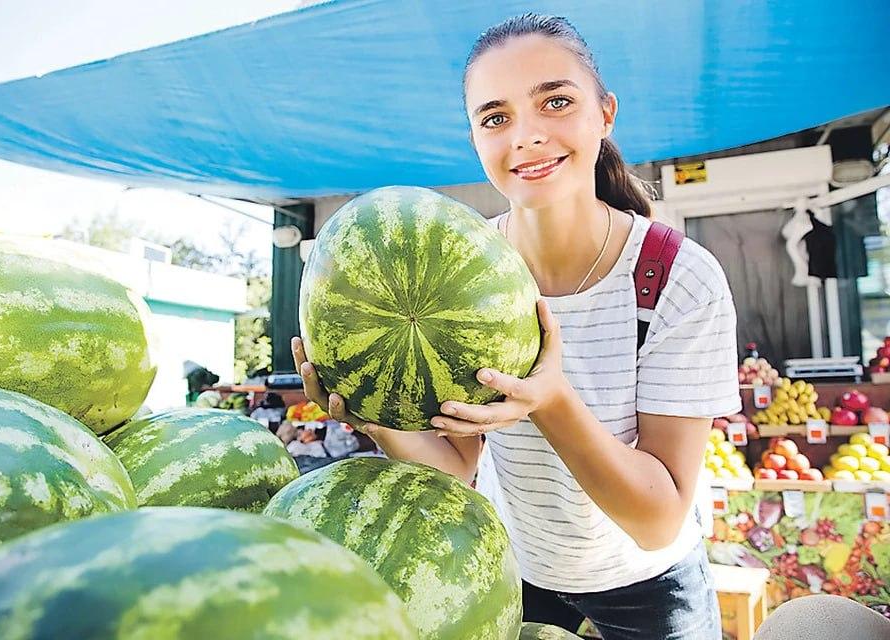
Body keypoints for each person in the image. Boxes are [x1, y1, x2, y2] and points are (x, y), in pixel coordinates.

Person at [292, 13, 740, 640]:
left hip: (651, 595)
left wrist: (550, 399)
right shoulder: (452, 269)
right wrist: (373, 414)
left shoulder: (677, 278)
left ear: (604, 113)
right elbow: (456, 468)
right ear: (474, 137)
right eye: (495, 117)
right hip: (511, 578)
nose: (526, 137)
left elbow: (657, 518)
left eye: (556, 102)